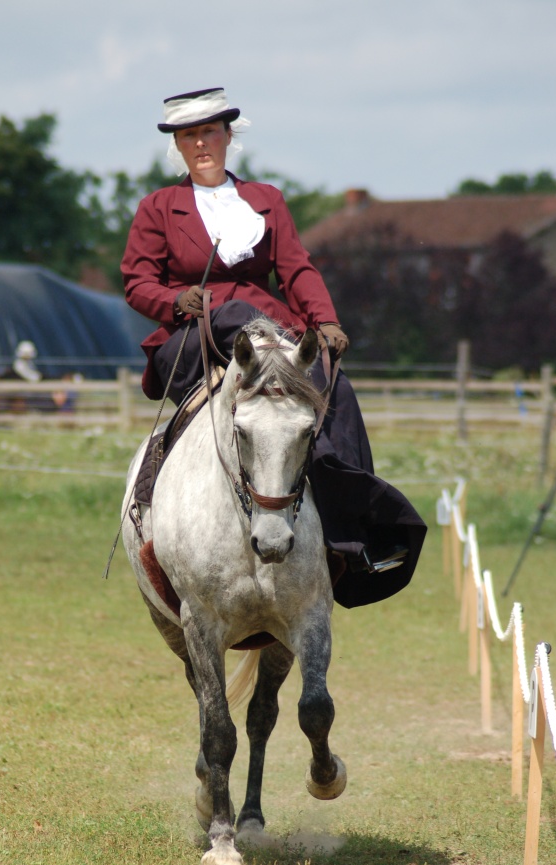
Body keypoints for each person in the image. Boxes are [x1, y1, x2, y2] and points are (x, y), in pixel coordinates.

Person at [121, 87, 426, 608]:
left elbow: (296, 268)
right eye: (189, 136)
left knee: (338, 387)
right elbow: (136, 282)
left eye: (209, 133)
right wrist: (177, 299)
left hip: (274, 331)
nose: (201, 144)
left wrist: (324, 322)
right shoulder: (158, 208)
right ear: (178, 144)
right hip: (194, 336)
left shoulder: (267, 199)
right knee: (239, 317)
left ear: (227, 136)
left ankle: (353, 528)